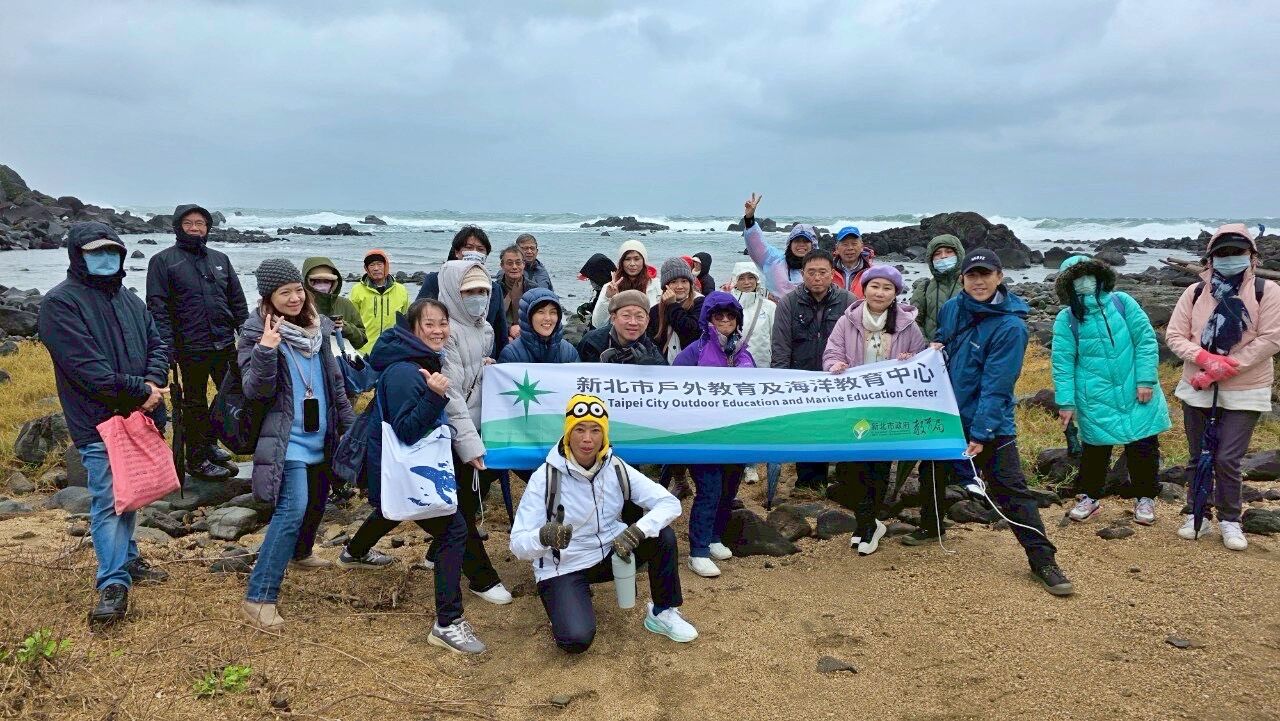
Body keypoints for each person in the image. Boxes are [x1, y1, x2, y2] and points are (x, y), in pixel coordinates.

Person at [39, 222, 172, 626]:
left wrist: (153, 382)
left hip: (139, 415)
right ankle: (112, 581)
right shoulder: (60, 304)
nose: (106, 258)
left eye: (112, 251)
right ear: (77, 255)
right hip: (98, 421)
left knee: (128, 494)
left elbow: (158, 344)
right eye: (96, 252)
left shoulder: (129, 300)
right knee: (111, 500)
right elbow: (85, 369)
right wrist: (140, 390)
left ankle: (128, 559)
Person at [336, 300, 486, 654]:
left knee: (393, 508)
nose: (438, 330)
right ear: (412, 328)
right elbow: (406, 430)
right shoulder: (406, 371)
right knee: (454, 531)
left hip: (388, 472)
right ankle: (447, 623)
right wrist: (435, 396)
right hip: (400, 465)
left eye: (442, 323)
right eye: (429, 324)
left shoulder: (415, 360)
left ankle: (354, 552)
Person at [932, 249, 1073, 596]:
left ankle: (1043, 559)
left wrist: (981, 433)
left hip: (990, 423)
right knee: (930, 471)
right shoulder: (953, 307)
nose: (978, 282)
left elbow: (998, 385)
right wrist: (934, 346)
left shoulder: (1010, 326)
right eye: (971, 276)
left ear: (999, 277)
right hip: (948, 413)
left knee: (1011, 489)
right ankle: (927, 527)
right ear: (962, 279)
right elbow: (943, 338)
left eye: (985, 275)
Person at [510, 395, 697, 653]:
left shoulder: (615, 467)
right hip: (564, 565)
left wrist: (637, 530)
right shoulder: (545, 477)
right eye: (580, 429)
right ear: (567, 432)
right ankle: (568, 600)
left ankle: (662, 612)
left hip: (612, 552)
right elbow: (517, 544)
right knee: (575, 640)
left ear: (605, 434)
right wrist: (544, 537)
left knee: (661, 536)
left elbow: (669, 503)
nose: (587, 439)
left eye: (596, 430)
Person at [238, 259, 355, 629]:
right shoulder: (256, 331)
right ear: (269, 297)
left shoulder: (315, 328)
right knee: (293, 509)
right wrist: (266, 350)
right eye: (284, 292)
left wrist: (350, 431)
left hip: (321, 433)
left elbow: (335, 385)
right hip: (286, 439)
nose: (294, 298)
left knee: (318, 499)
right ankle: (259, 596)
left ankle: (301, 553)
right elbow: (254, 391)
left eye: (297, 290)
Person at [1166, 224, 1280, 550]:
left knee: (1228, 458)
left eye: (1236, 252)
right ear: (1211, 258)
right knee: (1197, 455)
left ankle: (1231, 519)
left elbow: (1271, 338)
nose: (1229, 259)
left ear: (1251, 256)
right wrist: (1202, 356)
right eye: (1222, 253)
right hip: (1197, 386)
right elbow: (1175, 335)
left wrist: (1222, 369)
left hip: (1246, 388)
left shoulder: (1266, 291)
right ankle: (1196, 513)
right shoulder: (1194, 292)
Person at [1052, 255, 1171, 526]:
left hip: (1134, 388)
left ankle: (1145, 498)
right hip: (1094, 394)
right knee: (1095, 448)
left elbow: (1145, 341)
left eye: (1087, 274)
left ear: (1099, 275)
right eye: (1075, 278)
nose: (1083, 281)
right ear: (1067, 285)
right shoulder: (1066, 318)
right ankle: (1090, 498)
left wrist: (1145, 380)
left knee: (1143, 445)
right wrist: (1066, 402)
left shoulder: (1122, 302)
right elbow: (1062, 363)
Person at [419, 259, 513, 603]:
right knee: (457, 511)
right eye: (469, 291)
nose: (478, 298)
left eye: (483, 291)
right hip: (448, 433)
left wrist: (489, 368)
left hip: (472, 427)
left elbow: (471, 378)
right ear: (452, 293)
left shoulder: (484, 328)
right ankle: (480, 577)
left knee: (465, 501)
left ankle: (430, 554)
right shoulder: (447, 333)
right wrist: (470, 444)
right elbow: (451, 395)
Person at [822, 266, 926, 555]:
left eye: (887, 288)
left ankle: (867, 525)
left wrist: (910, 361)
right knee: (852, 467)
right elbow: (832, 352)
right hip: (853, 405)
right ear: (864, 288)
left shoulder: (908, 325)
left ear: (895, 293)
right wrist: (835, 366)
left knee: (879, 467)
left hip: (888, 408)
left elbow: (920, 362)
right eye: (875, 286)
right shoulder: (848, 321)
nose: (880, 293)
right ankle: (866, 521)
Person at [145, 203, 246, 481]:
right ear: (178, 227)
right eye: (188, 223)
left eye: (200, 223)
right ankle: (197, 457)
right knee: (194, 403)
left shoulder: (220, 259)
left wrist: (246, 334)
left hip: (224, 343)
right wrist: (166, 347)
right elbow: (157, 307)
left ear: (208, 228)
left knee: (229, 397)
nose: (195, 228)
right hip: (189, 347)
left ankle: (211, 443)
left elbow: (237, 301)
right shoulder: (163, 261)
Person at [673, 291, 754, 577]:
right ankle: (698, 551)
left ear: (737, 319)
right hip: (702, 435)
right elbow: (672, 385)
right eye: (718, 315)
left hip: (735, 435)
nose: (724, 320)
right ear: (708, 318)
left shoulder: (744, 352)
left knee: (729, 489)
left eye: (730, 315)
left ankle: (715, 536)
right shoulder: (694, 351)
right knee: (709, 489)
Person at [770, 249, 853, 490]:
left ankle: (833, 478)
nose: (817, 277)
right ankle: (807, 483)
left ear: (832, 274)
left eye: (822, 272)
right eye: (811, 272)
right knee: (805, 429)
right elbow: (781, 346)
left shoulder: (848, 301)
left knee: (832, 428)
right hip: (801, 379)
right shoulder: (788, 302)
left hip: (835, 378)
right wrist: (780, 383)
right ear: (802, 274)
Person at [415, 225, 509, 357]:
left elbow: (500, 332)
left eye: (480, 249)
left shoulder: (494, 288)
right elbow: (418, 322)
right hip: (445, 357)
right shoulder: (436, 281)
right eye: (469, 248)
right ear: (457, 252)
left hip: (484, 360)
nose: (474, 252)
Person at [741, 192, 815, 298]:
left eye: (805, 241)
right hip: (776, 311)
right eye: (797, 241)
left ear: (812, 245)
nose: (801, 245)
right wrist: (749, 218)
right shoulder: (774, 261)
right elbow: (757, 245)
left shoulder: (819, 266)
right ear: (790, 243)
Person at [577, 290, 668, 365]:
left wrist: (650, 369)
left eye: (639, 316)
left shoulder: (652, 350)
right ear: (613, 318)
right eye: (626, 315)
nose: (633, 322)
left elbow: (664, 380)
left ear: (647, 320)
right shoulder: (591, 342)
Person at [349, 248, 410, 354]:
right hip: (364, 349)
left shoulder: (401, 290)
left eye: (379, 264)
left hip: (392, 348)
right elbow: (352, 320)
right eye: (372, 265)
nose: (376, 268)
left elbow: (406, 320)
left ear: (386, 265)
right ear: (367, 269)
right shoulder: (357, 290)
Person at [498, 288, 581, 364]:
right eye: (541, 312)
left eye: (553, 312)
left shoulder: (569, 352)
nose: (548, 318)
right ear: (528, 316)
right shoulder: (511, 354)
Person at [590, 239, 659, 330]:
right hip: (618, 340)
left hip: (648, 339)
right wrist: (608, 297)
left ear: (644, 261)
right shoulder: (610, 287)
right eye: (627, 259)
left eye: (637, 259)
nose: (632, 264)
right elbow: (598, 324)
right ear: (621, 262)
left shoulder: (655, 285)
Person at [301, 257, 367, 350]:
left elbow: (361, 340)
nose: (322, 285)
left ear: (333, 283)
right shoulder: (299, 305)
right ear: (307, 282)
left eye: (326, 281)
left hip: (340, 360)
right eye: (316, 281)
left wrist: (345, 327)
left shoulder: (345, 304)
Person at [911, 234, 967, 342]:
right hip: (931, 354)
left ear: (959, 254)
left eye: (949, 252)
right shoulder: (924, 287)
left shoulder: (969, 285)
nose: (943, 256)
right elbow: (914, 321)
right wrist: (926, 345)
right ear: (931, 259)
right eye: (937, 253)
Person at [649, 257, 705, 363]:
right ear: (665, 286)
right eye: (674, 282)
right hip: (663, 366)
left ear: (690, 283)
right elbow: (651, 341)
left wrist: (672, 305)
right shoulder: (655, 310)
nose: (680, 286)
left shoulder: (700, 303)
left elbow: (691, 331)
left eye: (684, 281)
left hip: (692, 364)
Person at [831, 227, 875, 299]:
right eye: (845, 244)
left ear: (861, 247)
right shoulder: (827, 271)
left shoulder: (872, 272)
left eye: (854, 244)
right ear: (837, 248)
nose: (850, 248)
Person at [496, 245, 527, 344]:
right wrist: (508, 330)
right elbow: (490, 319)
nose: (514, 267)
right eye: (509, 263)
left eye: (518, 263)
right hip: (500, 337)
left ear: (524, 264)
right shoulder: (495, 290)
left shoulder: (533, 289)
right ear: (502, 265)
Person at [576, 252, 616, 327]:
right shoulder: (600, 291)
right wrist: (586, 307)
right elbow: (597, 303)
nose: (591, 283)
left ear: (600, 278)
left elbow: (602, 312)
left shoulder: (613, 292)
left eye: (592, 279)